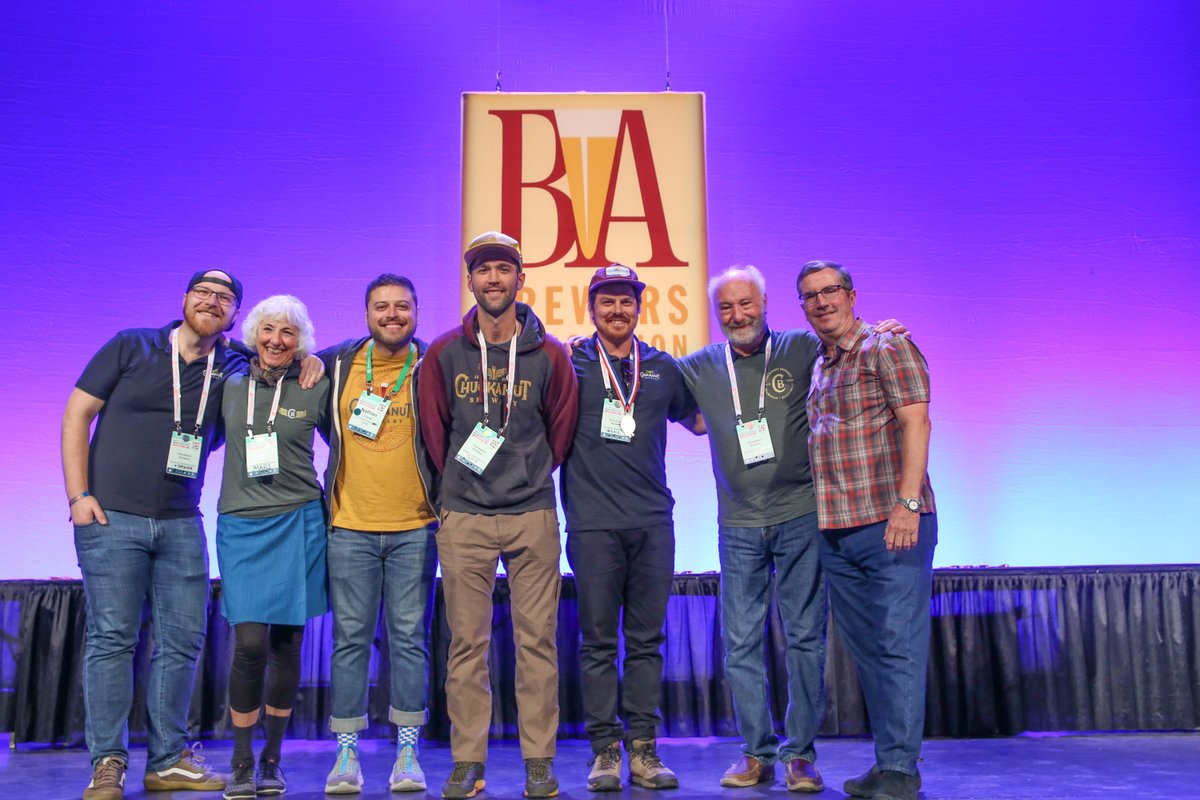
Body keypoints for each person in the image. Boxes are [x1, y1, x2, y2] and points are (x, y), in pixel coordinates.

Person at [62, 270, 246, 800]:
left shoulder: (231, 364)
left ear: (234, 316)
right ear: (185, 300)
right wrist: (78, 497)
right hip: (110, 518)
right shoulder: (131, 345)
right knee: (112, 641)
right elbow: (77, 414)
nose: (212, 302)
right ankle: (108, 763)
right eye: (203, 293)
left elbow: (281, 354)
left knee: (182, 643)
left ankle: (167, 760)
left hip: (182, 523)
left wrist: (307, 358)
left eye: (225, 298)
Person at [417, 231, 579, 800]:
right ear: (470, 281)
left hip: (532, 513)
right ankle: (468, 761)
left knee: (539, 643)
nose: (493, 279)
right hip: (464, 516)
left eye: (503, 270)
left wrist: (529, 476)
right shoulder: (442, 352)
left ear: (519, 280)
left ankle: (539, 760)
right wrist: (456, 492)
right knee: (467, 644)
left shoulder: (551, 355)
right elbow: (434, 433)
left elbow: (559, 434)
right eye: (483, 270)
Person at [676, 266, 828, 793]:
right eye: (726, 308)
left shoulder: (800, 349)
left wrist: (884, 331)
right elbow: (645, 383)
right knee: (740, 642)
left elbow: (850, 343)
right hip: (737, 522)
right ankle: (756, 753)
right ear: (716, 313)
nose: (737, 315)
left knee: (806, 636)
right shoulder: (698, 367)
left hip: (799, 514)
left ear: (765, 302)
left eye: (747, 304)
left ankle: (801, 755)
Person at [799, 261, 936, 800]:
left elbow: (916, 422)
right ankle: (889, 760)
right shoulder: (820, 361)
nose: (821, 301)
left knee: (898, 644)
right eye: (810, 295)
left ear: (851, 295)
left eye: (830, 290)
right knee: (873, 651)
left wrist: (906, 504)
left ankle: (901, 770)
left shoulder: (887, 346)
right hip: (836, 530)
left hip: (890, 525)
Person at [559, 265, 696, 792]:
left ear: (640, 307)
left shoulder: (662, 367)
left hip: (653, 522)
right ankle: (604, 752)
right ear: (591, 307)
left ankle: (643, 748)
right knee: (597, 643)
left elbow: (703, 420)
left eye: (627, 302)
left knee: (645, 642)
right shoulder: (571, 362)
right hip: (592, 524)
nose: (617, 310)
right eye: (607, 301)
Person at [318, 274, 440, 794]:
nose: (392, 315)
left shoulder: (434, 362)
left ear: (416, 311)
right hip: (349, 526)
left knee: (409, 641)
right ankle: (346, 756)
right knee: (350, 641)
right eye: (381, 307)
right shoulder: (334, 363)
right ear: (366, 313)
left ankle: (407, 751)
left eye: (402, 306)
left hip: (416, 525)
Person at [214, 295, 330, 799]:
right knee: (251, 644)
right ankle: (240, 759)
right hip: (241, 524)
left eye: (288, 332)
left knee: (286, 644)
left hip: (300, 520)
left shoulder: (315, 383)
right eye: (268, 329)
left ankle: (271, 761)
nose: (277, 340)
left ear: (301, 341)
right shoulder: (228, 382)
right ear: (253, 333)